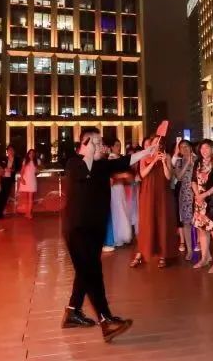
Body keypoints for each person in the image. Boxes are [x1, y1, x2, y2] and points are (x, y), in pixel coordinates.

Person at [61, 128, 154, 341]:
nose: (102, 146)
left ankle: (73, 312)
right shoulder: (75, 164)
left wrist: (148, 151)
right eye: (97, 142)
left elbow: (126, 161)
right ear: (86, 144)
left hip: (95, 228)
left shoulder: (102, 165)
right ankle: (106, 320)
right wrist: (89, 149)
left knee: (86, 272)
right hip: (78, 229)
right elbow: (85, 172)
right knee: (93, 273)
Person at [132, 136, 178, 268]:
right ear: (151, 144)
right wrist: (153, 161)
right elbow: (142, 174)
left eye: (160, 143)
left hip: (163, 193)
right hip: (147, 193)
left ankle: (163, 254)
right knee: (147, 222)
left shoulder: (166, 156)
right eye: (155, 143)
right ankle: (142, 252)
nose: (158, 145)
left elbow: (168, 177)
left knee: (163, 222)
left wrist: (163, 162)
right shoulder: (144, 157)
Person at [192, 140, 213, 272]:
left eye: (207, 148)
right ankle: (205, 258)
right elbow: (193, 180)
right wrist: (197, 195)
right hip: (199, 202)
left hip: (212, 202)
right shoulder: (197, 162)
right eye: (202, 148)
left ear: (212, 149)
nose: (204, 150)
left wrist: (204, 195)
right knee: (202, 231)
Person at [173, 139, 197, 261]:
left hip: (197, 194)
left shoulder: (198, 159)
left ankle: (202, 248)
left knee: (200, 223)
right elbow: (178, 176)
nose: (184, 149)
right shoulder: (179, 162)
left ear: (191, 147)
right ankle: (190, 250)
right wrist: (187, 163)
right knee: (187, 223)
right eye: (181, 147)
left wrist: (193, 162)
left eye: (186, 146)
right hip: (185, 195)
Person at [0, 145, 20, 218]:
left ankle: (2, 211)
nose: (11, 151)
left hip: (9, 179)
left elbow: (18, 168)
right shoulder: (3, 158)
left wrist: (12, 170)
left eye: (12, 150)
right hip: (2, 178)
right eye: (9, 150)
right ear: (7, 151)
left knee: (6, 195)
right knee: (0, 195)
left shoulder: (17, 159)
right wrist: (4, 169)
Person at [18, 149, 39, 220]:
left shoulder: (37, 161)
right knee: (26, 198)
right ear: (28, 154)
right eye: (30, 153)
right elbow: (22, 171)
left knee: (31, 197)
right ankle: (27, 212)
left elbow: (37, 172)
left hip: (32, 180)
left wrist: (37, 172)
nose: (31, 154)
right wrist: (21, 178)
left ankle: (29, 213)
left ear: (34, 154)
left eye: (33, 153)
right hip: (25, 179)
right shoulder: (25, 161)